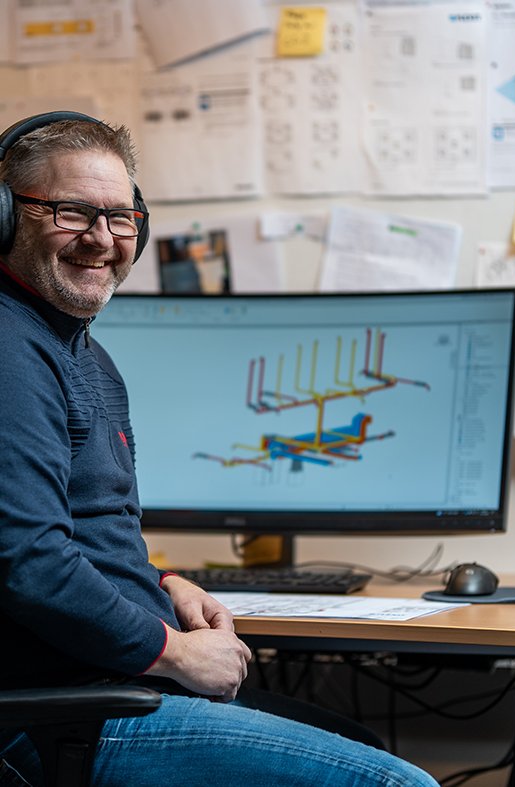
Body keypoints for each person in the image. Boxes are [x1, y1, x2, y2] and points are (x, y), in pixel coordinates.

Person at [0, 112, 439, 787]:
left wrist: (166, 584)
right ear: (5, 214)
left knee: (352, 735)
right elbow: (28, 562)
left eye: (121, 218)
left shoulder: (80, 351)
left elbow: (87, 528)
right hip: (61, 717)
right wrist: (175, 652)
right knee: (399, 783)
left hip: (104, 686)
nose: (102, 239)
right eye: (72, 212)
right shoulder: (10, 349)